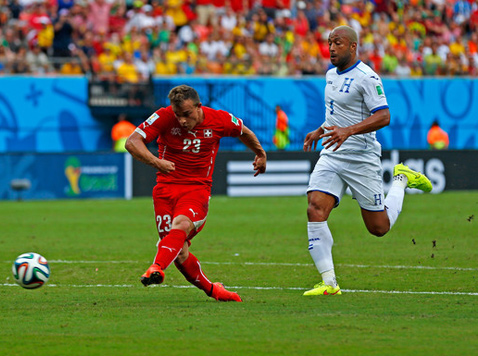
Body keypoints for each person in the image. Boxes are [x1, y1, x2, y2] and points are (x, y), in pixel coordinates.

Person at [302, 26, 433, 296]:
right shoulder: (329, 75)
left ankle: (401, 179)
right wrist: (321, 129)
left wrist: (348, 131)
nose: (331, 48)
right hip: (332, 152)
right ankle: (329, 282)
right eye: (329, 43)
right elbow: (337, 115)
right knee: (315, 208)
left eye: (337, 43)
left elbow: (384, 116)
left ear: (352, 47)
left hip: (362, 158)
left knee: (378, 228)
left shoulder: (367, 77)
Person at [125, 84, 267, 302]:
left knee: (180, 225)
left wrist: (260, 153)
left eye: (187, 114)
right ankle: (214, 290)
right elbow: (132, 141)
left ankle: (157, 267)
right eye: (177, 115)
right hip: (164, 191)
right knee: (179, 253)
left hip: (196, 190)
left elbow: (243, 131)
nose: (182, 120)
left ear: (199, 107)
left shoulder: (219, 119)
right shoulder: (163, 116)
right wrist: (156, 162)